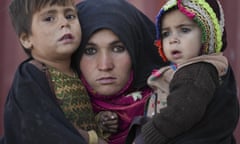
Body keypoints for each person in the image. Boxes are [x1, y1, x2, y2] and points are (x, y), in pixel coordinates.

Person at [126, 0, 240, 143]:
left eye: (184, 30)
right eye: (166, 33)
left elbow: (181, 112)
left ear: (206, 35)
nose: (173, 39)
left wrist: (148, 136)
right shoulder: (213, 67)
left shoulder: (195, 72)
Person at [0, 0, 102, 143]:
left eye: (70, 16)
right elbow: (42, 128)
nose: (64, 23)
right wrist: (92, 139)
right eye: (49, 19)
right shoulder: (31, 75)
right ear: (26, 39)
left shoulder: (82, 70)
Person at [72, 0, 165, 143]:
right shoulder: (58, 108)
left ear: (136, 50)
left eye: (118, 48)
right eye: (90, 50)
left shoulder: (171, 103)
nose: (105, 65)